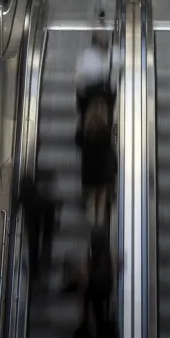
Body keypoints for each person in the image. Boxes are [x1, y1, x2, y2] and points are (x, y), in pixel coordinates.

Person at [75, 79, 117, 227]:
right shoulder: (106, 133)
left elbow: (78, 142)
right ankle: (99, 216)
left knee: (93, 192)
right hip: (103, 172)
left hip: (89, 173)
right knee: (102, 190)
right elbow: (111, 151)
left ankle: (92, 215)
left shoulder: (85, 133)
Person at [19, 167, 59, 286]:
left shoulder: (26, 200)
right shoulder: (41, 200)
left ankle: (35, 272)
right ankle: (41, 268)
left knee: (33, 247)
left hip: (34, 227)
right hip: (44, 225)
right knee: (43, 245)